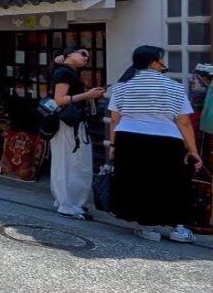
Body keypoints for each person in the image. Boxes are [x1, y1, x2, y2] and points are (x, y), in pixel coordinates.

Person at [108, 46, 203, 242]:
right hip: (166, 139)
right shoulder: (174, 87)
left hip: (129, 138)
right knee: (173, 181)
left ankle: (148, 226)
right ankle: (178, 228)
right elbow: (183, 122)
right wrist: (193, 151)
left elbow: (115, 120)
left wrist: (113, 146)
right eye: (161, 61)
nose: (164, 65)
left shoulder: (122, 87)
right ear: (153, 63)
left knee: (138, 181)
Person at [49, 46, 106, 220]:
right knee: (72, 162)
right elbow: (59, 99)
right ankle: (68, 204)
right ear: (68, 54)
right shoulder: (64, 73)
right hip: (69, 124)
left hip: (70, 123)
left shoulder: (66, 71)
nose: (86, 58)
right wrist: (86, 94)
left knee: (68, 162)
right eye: (82, 54)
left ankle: (66, 201)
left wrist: (89, 95)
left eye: (88, 56)